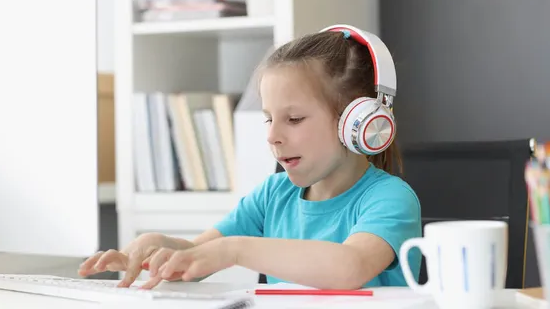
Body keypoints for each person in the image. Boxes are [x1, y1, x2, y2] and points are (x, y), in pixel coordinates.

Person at [78, 24, 422, 290]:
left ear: (357, 121)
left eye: (295, 119)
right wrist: (159, 249)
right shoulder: (272, 196)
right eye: (269, 118)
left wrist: (236, 249)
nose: (272, 135)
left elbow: (350, 267)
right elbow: (198, 254)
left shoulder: (389, 198)